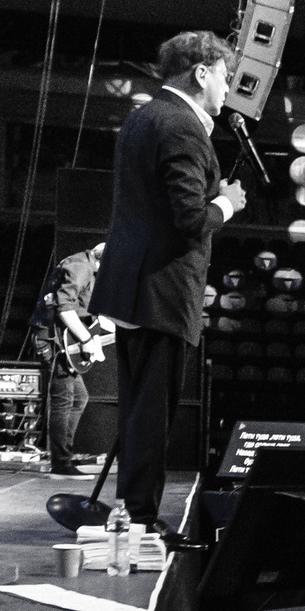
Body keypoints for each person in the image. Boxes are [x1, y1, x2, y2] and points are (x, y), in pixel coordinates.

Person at [88, 32, 246, 531]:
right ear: (201, 73)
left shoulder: (144, 116)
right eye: (224, 76)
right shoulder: (182, 127)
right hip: (163, 288)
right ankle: (139, 518)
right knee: (153, 414)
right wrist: (228, 204)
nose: (227, 89)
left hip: (132, 287)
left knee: (139, 410)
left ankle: (130, 510)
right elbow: (189, 219)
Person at [28, 242, 102, 476]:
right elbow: (65, 308)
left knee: (79, 398)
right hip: (53, 339)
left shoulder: (86, 266)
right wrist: (87, 340)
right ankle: (60, 463)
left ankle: (63, 456)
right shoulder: (79, 267)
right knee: (63, 399)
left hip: (63, 338)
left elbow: (83, 309)